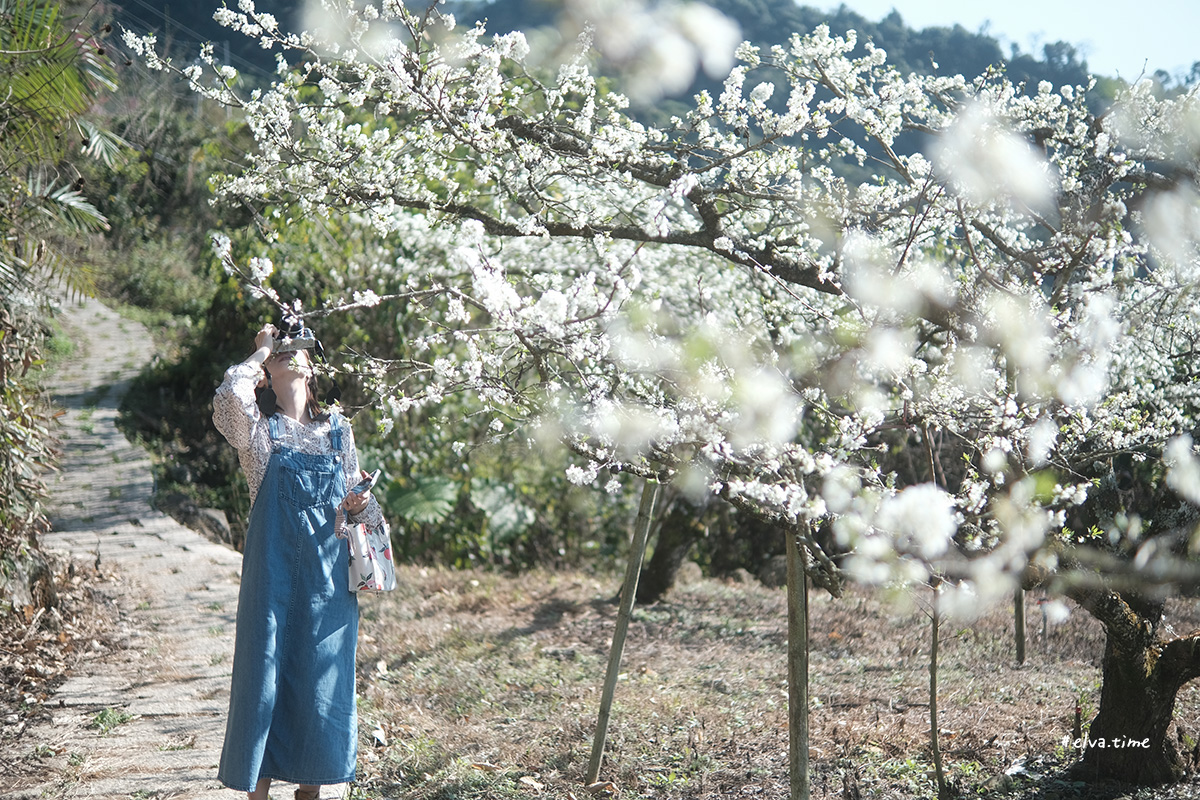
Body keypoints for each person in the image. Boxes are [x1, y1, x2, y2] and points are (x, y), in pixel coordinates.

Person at [212, 322, 383, 800]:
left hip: (328, 587)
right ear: (265, 371)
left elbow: (363, 510)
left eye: (298, 347)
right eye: (279, 351)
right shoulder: (258, 434)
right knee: (261, 685)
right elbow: (228, 400)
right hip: (271, 583)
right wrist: (256, 354)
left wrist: (358, 504)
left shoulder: (338, 430)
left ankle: (310, 792)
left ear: (313, 364)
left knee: (319, 693)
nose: (289, 353)